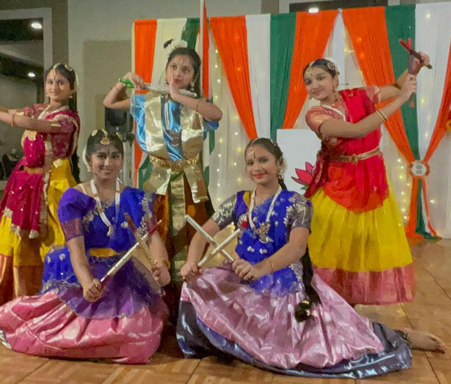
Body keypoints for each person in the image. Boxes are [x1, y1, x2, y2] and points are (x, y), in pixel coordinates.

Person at [177, 138, 445, 379]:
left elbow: (296, 249)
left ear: (279, 163)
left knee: (334, 339)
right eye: (250, 162)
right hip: (244, 278)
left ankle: (402, 336)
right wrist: (191, 262)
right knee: (195, 287)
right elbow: (201, 234)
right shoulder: (239, 201)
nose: (256, 167)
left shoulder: (297, 203)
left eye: (263, 160)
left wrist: (260, 269)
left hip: (283, 284)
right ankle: (224, 347)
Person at [0, 130, 170, 362]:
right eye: (101, 156)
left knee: (140, 342)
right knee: (51, 329)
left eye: (114, 156)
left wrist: (160, 264)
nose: (107, 163)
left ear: (122, 160)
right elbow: (76, 249)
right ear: (88, 161)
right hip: (81, 273)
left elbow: (153, 239)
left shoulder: (134, 198)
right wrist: (87, 282)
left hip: (122, 275)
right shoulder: (74, 199)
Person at [0, 63, 81, 323]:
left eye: (60, 82)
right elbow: (11, 111)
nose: (54, 87)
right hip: (25, 189)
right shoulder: (40, 108)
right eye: (50, 81)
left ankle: (57, 309)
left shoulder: (67, 118)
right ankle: (6, 308)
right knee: (14, 246)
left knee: (56, 249)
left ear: (72, 89)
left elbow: (26, 122)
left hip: (55, 191)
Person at [103, 43, 223, 309]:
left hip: (189, 182)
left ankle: (188, 299)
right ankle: (163, 297)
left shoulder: (197, 104)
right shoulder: (148, 100)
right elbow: (109, 102)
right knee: (157, 233)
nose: (178, 72)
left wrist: (178, 97)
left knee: (190, 235)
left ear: (194, 76)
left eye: (186, 69)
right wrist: (125, 79)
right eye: (173, 67)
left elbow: (218, 115)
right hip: (157, 180)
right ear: (166, 70)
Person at [303, 55, 429, 305]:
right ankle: (328, 303)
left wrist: (414, 68)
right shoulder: (315, 114)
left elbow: (394, 87)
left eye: (320, 78)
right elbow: (357, 130)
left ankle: (352, 304)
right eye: (308, 81)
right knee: (335, 243)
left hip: (372, 179)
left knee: (363, 244)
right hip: (339, 184)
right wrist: (402, 99)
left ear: (335, 79)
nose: (314, 85)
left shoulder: (358, 95)